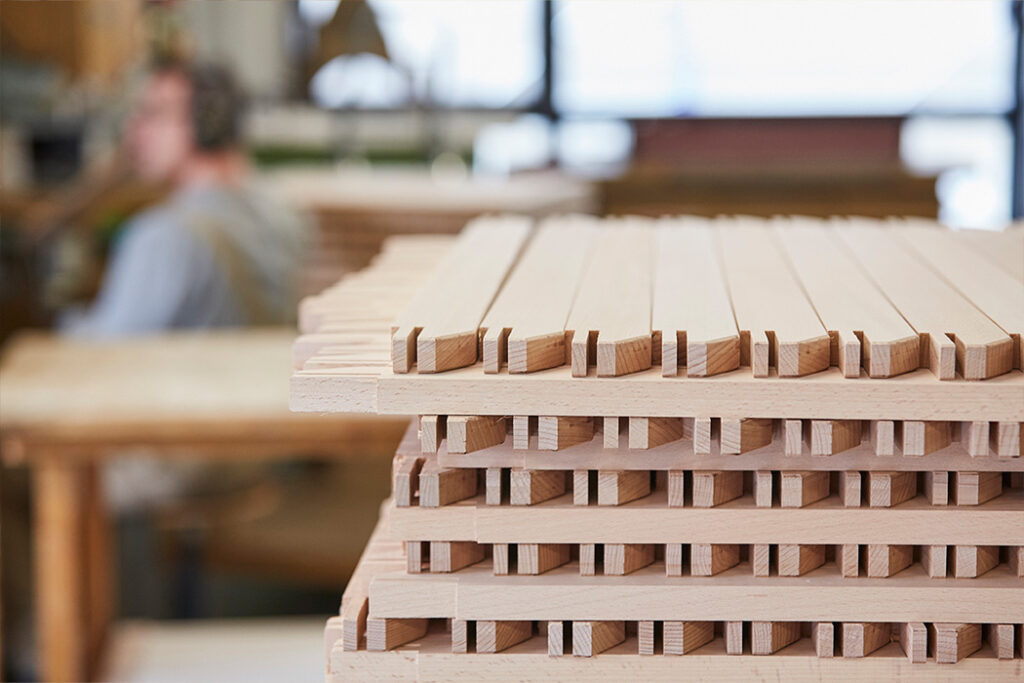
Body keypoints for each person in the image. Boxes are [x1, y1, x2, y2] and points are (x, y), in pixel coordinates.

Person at [63, 61, 308, 337]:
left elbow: (106, 347)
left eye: (152, 113)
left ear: (207, 125)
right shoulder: (285, 214)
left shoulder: (164, 237)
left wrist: (65, 324)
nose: (134, 130)